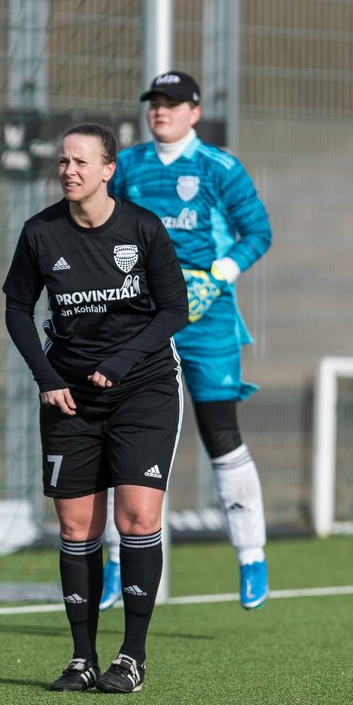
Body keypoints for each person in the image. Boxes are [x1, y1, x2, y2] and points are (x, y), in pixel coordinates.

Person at [3, 122, 188, 693]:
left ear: (108, 169)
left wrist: (126, 361)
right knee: (77, 524)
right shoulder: (40, 233)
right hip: (70, 398)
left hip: (144, 388)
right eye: (63, 162)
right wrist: (47, 376)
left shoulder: (142, 228)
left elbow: (174, 310)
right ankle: (82, 658)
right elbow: (16, 309)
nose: (69, 171)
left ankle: (131, 657)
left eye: (81, 162)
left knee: (137, 518)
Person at [103, 71, 273, 611]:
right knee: (124, 436)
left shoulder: (220, 167)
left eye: (172, 103)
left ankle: (251, 556)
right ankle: (112, 563)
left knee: (221, 431)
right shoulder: (127, 166)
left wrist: (218, 273)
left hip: (208, 318)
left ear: (194, 112)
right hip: (140, 316)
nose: (161, 111)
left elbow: (258, 232)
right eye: (154, 102)